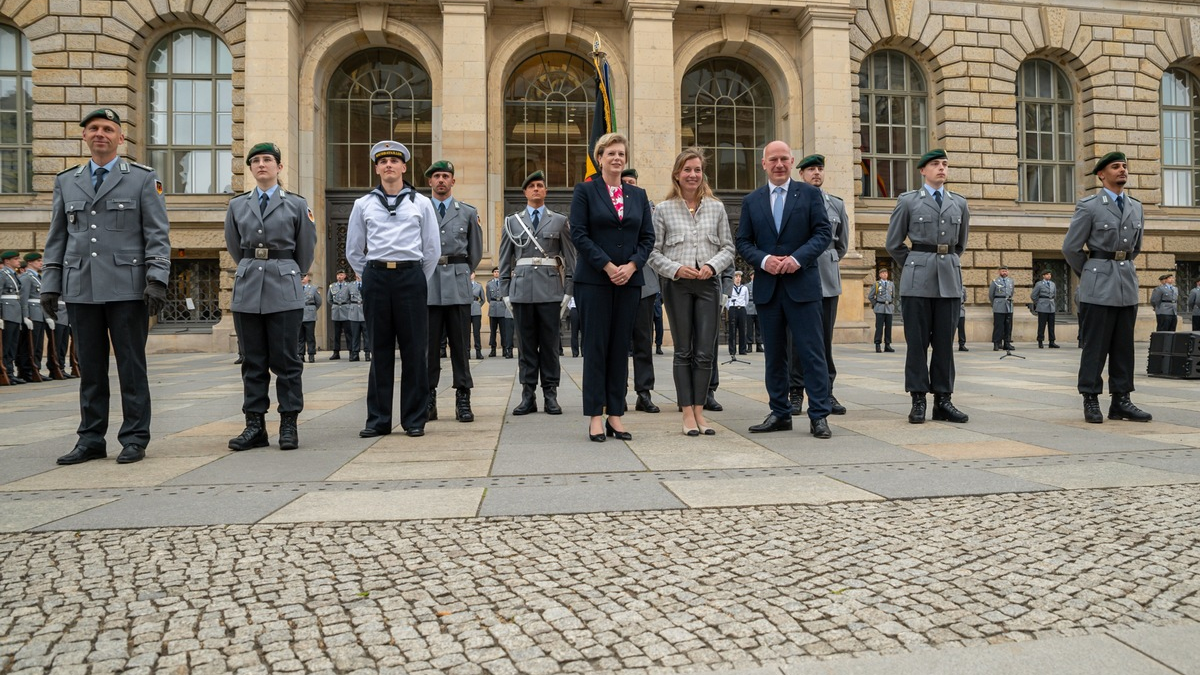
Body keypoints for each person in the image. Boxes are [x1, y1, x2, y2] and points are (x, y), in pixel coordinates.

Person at [42, 108, 171, 465]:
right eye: (94, 128)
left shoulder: (143, 179)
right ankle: (91, 438)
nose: (101, 134)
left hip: (128, 289)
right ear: (84, 135)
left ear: (120, 138)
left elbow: (157, 234)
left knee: (131, 367)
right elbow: (57, 237)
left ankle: (134, 438)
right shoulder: (67, 180)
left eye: (108, 129)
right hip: (81, 286)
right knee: (91, 369)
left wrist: (157, 278)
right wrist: (50, 283)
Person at [223, 141, 317, 452]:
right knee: (252, 360)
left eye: (268, 160)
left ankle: (289, 423)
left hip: (283, 286)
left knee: (287, 361)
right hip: (249, 288)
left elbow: (305, 251)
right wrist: (255, 268)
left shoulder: (297, 205)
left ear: (279, 167)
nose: (262, 164)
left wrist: (285, 271)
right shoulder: (237, 206)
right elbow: (236, 247)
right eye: (256, 161)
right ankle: (255, 426)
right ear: (250, 168)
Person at [736, 140, 833, 439]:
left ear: (792, 162)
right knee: (774, 355)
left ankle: (819, 415)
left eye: (784, 159)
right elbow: (743, 242)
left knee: (812, 353)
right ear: (763, 164)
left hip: (802, 286)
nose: (778, 165)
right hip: (768, 289)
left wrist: (796, 259)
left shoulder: (809, 193)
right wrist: (764, 260)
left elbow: (823, 233)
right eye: (772, 160)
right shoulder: (752, 201)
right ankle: (779, 412)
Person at [346, 140, 441, 438]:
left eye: (394, 161)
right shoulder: (363, 204)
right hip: (376, 277)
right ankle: (378, 420)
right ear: (376, 168)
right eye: (383, 162)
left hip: (410, 277)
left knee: (415, 351)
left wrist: (413, 278)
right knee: (380, 351)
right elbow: (353, 251)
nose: (389, 165)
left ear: (404, 167)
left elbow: (432, 250)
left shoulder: (421, 203)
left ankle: (414, 419)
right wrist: (371, 276)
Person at [570, 133, 654, 442]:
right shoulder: (586, 191)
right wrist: (607, 266)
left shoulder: (638, 195)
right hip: (594, 280)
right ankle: (595, 415)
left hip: (630, 281)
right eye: (610, 153)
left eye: (621, 153)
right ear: (600, 157)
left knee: (621, 347)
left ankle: (615, 415)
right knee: (596, 347)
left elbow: (647, 238)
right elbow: (579, 234)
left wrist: (631, 266)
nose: (616, 158)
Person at [648, 147, 735, 435]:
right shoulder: (663, 210)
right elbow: (652, 252)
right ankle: (687, 414)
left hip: (708, 283)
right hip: (678, 285)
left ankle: (700, 411)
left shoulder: (716, 207)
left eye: (697, 170)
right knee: (683, 351)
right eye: (687, 170)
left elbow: (728, 248)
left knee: (705, 353)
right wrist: (674, 269)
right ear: (677, 174)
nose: (693, 175)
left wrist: (712, 266)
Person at [1062, 151, 1151, 424]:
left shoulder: (1136, 207)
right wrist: (1090, 272)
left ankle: (1121, 400)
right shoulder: (1090, 206)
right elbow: (1070, 248)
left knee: (1124, 347)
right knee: (1095, 347)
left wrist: (1116, 266)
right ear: (1102, 174)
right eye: (1116, 167)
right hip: (1098, 285)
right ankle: (1090, 398)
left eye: (1124, 166)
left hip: (1125, 283)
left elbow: (1135, 249)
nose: (1122, 170)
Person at [885, 148, 970, 425]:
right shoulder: (909, 201)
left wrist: (944, 262)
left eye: (945, 164)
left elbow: (960, 244)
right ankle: (918, 399)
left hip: (948, 279)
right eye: (935, 164)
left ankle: (943, 401)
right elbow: (893, 243)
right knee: (917, 343)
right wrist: (913, 263)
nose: (942, 168)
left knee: (945, 343)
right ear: (923, 170)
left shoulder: (959, 203)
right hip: (917, 279)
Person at [500, 170, 576, 416]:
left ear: (545, 191)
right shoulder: (512, 221)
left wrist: (568, 291)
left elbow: (570, 258)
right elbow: (504, 260)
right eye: (531, 186)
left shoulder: (559, 220)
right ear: (524, 192)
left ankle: (551, 394)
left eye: (540, 185)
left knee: (550, 346)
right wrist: (504, 292)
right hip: (521, 291)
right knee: (526, 346)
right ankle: (528, 395)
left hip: (551, 291)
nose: (535, 189)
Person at [424, 160, 484, 424]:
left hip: (458, 284)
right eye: (436, 176)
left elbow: (476, 252)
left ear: (453, 181)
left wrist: (461, 271)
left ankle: (463, 397)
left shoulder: (468, 213)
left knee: (460, 346)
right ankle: (428, 398)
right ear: (430, 182)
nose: (441, 180)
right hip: (428, 285)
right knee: (428, 348)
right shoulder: (420, 210)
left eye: (445, 176)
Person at [793, 154, 849, 416]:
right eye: (811, 169)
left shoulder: (835, 204)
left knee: (824, 339)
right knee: (797, 339)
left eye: (820, 169)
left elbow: (842, 245)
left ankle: (827, 391)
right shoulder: (792, 201)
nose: (816, 173)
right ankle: (795, 392)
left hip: (827, 274)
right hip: (799, 273)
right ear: (801, 174)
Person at [622, 168, 661, 414]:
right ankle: (617, 393)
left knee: (643, 341)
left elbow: (653, 242)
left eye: (632, 182)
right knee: (617, 343)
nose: (629, 186)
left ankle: (644, 393)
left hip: (644, 282)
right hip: (616, 280)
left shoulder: (649, 208)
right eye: (625, 182)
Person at [17, 252, 48, 381]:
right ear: (30, 262)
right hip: (32, 315)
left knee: (38, 345)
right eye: (38, 261)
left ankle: (36, 369)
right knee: (29, 345)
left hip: (39, 314)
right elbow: (24, 298)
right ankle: (26, 371)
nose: (41, 263)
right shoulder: (26, 277)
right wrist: (25, 316)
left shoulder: (37, 277)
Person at [327, 270, 363, 361]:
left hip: (346, 310)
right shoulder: (332, 286)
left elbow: (350, 298)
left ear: (345, 276)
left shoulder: (348, 286)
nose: (339, 276)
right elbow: (329, 299)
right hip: (336, 311)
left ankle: (351, 351)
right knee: (336, 333)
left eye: (341, 275)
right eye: (338, 275)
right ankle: (336, 352)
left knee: (348, 333)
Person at [1, 250, 23, 384]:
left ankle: (10, 372)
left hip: (15, 313)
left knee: (13, 345)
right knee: (6, 345)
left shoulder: (13, 275)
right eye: (15, 259)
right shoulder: (2, 275)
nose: (18, 261)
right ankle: (5, 372)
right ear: (7, 261)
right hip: (7, 313)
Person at [485, 267, 512, 358]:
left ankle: (505, 348)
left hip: (502, 307)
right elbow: (488, 298)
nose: (496, 273)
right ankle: (493, 349)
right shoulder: (489, 284)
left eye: (498, 272)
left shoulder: (503, 283)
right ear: (493, 273)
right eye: (495, 272)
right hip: (493, 308)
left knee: (503, 331)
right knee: (493, 331)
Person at [868, 267, 895, 353]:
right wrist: (876, 304)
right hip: (880, 308)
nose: (885, 274)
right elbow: (870, 296)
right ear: (880, 275)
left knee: (888, 327)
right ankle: (877, 344)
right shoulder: (877, 284)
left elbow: (893, 296)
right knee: (879, 327)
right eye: (883, 273)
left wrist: (891, 305)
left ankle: (887, 344)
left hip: (888, 308)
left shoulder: (891, 284)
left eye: (886, 273)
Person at [989, 266, 1015, 351]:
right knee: (998, 326)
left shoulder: (1010, 281)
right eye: (1003, 271)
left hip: (1008, 305)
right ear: (999, 272)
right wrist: (995, 304)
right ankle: (996, 343)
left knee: (1008, 326)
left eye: (1006, 271)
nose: (1004, 272)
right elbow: (991, 295)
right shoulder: (995, 281)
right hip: (999, 305)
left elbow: (1011, 292)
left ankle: (1007, 343)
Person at [1031, 269, 1059, 348]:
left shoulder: (1053, 284)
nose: (1049, 276)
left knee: (1051, 325)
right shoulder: (1039, 284)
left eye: (1050, 274)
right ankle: (1040, 341)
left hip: (1051, 306)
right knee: (1042, 325)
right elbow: (1033, 295)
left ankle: (1052, 341)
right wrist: (1038, 303)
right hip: (1042, 306)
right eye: (1047, 274)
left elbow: (1055, 295)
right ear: (1043, 276)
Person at [298, 273, 321, 362]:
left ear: (308, 278)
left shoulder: (313, 288)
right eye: (301, 277)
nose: (302, 279)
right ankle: (300, 354)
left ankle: (311, 354)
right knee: (300, 337)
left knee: (310, 336)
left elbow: (318, 302)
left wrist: (312, 309)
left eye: (304, 277)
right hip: (299, 314)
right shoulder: (296, 288)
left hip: (310, 314)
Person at [726, 271, 749, 355]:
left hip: (741, 309)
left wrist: (742, 306)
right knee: (732, 330)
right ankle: (732, 350)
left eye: (739, 277)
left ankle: (742, 350)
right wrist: (730, 308)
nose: (738, 278)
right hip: (733, 308)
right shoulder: (730, 287)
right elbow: (726, 300)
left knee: (742, 330)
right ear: (733, 278)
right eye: (736, 276)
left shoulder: (744, 288)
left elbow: (746, 300)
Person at [469, 272, 485, 360]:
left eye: (472, 273)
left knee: (476, 333)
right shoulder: (464, 285)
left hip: (476, 310)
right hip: (466, 310)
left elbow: (483, 299)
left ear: (474, 275)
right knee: (466, 333)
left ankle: (478, 351)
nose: (470, 275)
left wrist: (478, 305)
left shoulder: (479, 286)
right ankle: (467, 352)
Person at [745, 271, 761, 352]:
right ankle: (749, 345)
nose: (754, 276)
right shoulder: (747, 286)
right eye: (753, 275)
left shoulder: (761, 285)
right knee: (749, 328)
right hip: (749, 308)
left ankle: (759, 344)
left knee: (759, 328)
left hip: (758, 309)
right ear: (750, 276)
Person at [958, 284, 969, 351]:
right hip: (953, 310)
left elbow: (965, 298)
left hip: (961, 310)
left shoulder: (963, 288)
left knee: (961, 329)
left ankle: (962, 344)